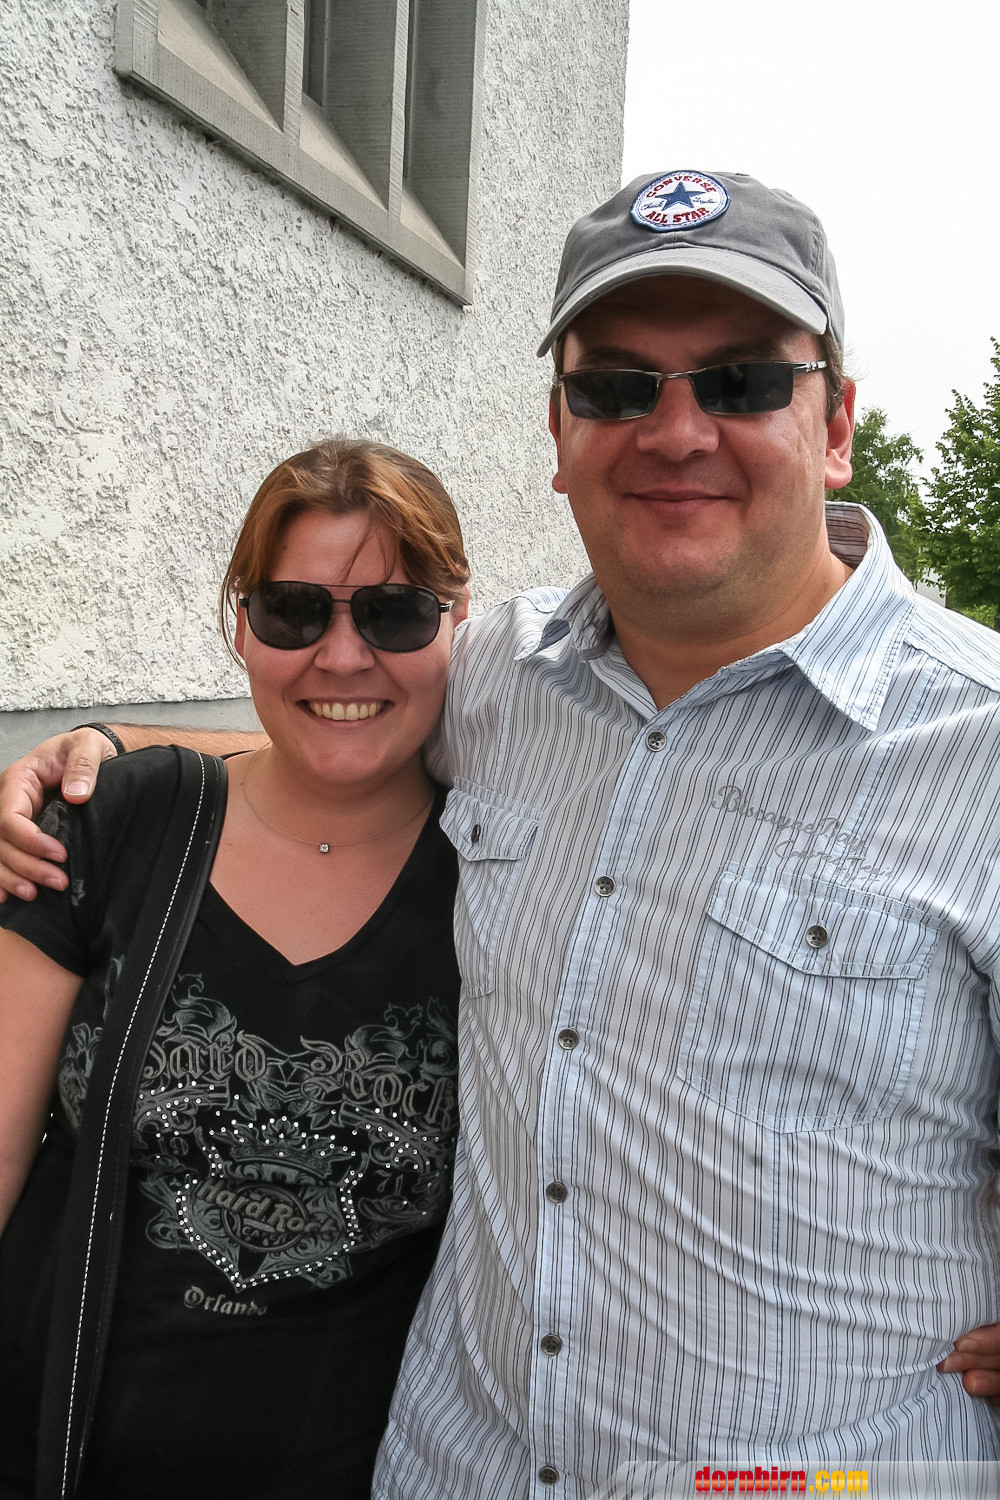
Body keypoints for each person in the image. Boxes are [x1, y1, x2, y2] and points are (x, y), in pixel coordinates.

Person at [4, 171, 1000, 1494]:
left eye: (743, 381)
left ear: (835, 426)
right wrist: (97, 750)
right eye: (618, 387)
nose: (677, 430)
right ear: (559, 430)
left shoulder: (978, 749)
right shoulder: (498, 681)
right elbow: (333, 727)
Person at [0, 436, 470, 1498]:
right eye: (293, 612)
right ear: (242, 624)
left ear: (458, 618)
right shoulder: (120, 820)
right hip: (46, 1452)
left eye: (394, 613)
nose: (341, 657)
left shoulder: (498, 879)